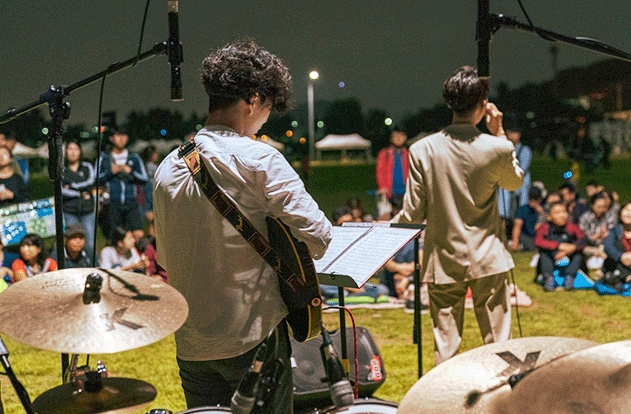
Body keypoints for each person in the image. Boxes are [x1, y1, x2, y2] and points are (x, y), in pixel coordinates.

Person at [153, 39, 332, 411]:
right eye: (268, 107)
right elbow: (319, 236)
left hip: (192, 343)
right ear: (252, 100)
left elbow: (168, 260)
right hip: (252, 336)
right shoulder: (260, 158)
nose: (266, 118)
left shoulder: (166, 168)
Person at [391, 66, 524, 364]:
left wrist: (383, 229)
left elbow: (412, 213)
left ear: (449, 103)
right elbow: (514, 183)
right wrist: (500, 133)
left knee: (446, 350)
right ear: (483, 105)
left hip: (443, 260)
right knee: (501, 348)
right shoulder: (498, 147)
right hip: (489, 259)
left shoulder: (422, 148)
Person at [97, 128, 149, 240]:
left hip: (131, 203)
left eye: (124, 135)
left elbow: (144, 178)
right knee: (114, 237)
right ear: (111, 138)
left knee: (138, 235)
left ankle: (139, 256)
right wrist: (110, 172)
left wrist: (131, 172)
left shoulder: (134, 157)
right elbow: (96, 179)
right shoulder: (104, 157)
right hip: (112, 204)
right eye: (118, 135)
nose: (121, 138)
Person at [534, 203, 587, 291]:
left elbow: (584, 239)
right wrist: (559, 246)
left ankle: (569, 277)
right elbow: (538, 242)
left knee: (579, 253)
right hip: (551, 256)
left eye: (563, 212)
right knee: (543, 253)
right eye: (557, 213)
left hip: (568, 256)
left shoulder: (571, 227)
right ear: (549, 216)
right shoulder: (545, 228)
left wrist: (571, 248)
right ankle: (549, 278)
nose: (562, 215)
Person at [62, 140, 96, 253]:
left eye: (75, 149)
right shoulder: (62, 169)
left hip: (87, 211)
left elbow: (91, 182)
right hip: (69, 211)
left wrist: (71, 186)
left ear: (80, 151)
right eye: (70, 149)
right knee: (72, 244)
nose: (73, 152)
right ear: (66, 151)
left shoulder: (87, 166)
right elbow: (61, 190)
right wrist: (81, 193)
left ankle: (91, 267)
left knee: (90, 243)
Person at [498, 120, 532, 229]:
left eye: (514, 133)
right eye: (510, 133)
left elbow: (523, 168)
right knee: (502, 211)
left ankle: (517, 237)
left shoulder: (525, 150)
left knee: (519, 212)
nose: (512, 136)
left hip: (520, 186)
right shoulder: (503, 148)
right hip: (506, 186)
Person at [376, 127, 409, 220]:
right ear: (391, 138)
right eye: (395, 136)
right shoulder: (385, 153)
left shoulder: (409, 153)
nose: (398, 138)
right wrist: (382, 186)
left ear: (405, 137)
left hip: (406, 191)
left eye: (401, 136)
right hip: (389, 192)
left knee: (405, 217)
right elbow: (380, 171)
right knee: (388, 217)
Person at [510, 186, 544, 252]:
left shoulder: (543, 208)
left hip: (539, 235)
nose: (533, 201)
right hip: (526, 236)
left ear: (540, 199)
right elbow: (517, 226)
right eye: (531, 198)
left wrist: (542, 214)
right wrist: (515, 242)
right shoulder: (522, 209)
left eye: (535, 199)